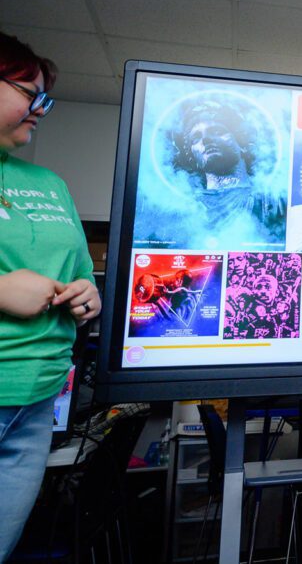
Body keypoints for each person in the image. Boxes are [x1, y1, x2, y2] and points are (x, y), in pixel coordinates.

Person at [0, 32, 100, 559]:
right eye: (27, 92)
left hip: (36, 400)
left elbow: (81, 272)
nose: (41, 108)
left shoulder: (48, 184)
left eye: (46, 98)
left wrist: (88, 295)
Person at [142, 96, 286, 249]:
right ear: (192, 157)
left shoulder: (271, 203)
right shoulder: (180, 211)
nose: (205, 139)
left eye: (217, 131)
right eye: (196, 138)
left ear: (242, 143)